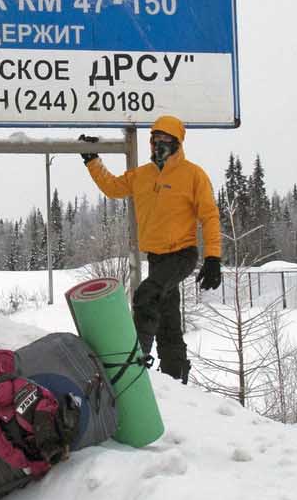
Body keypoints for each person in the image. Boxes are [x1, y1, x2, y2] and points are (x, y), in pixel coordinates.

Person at [78, 115, 222, 382]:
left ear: (178, 142)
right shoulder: (142, 175)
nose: (160, 144)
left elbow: (210, 216)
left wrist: (213, 257)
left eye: (167, 139)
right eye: (156, 139)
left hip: (182, 254)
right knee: (168, 320)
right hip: (156, 257)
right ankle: (175, 375)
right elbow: (113, 187)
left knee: (146, 295)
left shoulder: (193, 174)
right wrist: (92, 160)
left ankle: (135, 363)